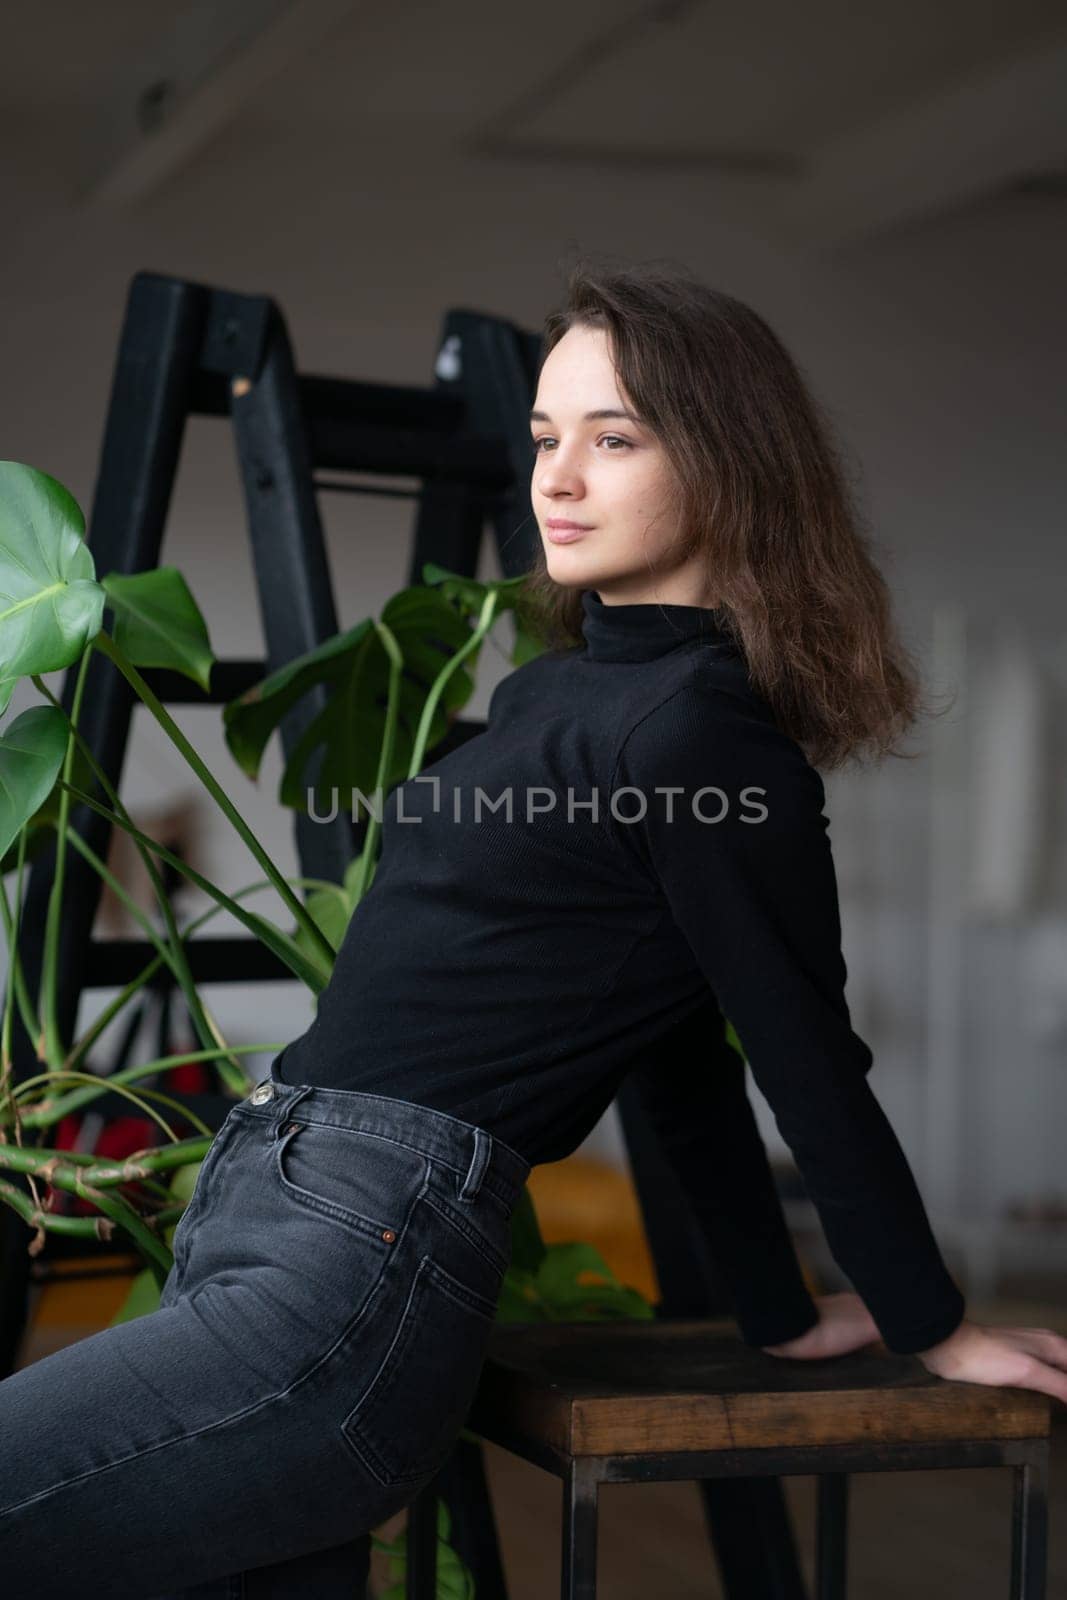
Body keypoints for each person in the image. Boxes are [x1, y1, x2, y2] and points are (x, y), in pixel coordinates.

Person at [2, 260, 1065, 1598]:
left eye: (612, 439)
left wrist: (932, 1322)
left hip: (351, 1268)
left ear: (733, 467)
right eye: (548, 438)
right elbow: (679, 1061)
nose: (556, 478)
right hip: (265, 1209)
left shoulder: (698, 734)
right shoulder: (556, 697)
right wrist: (777, 1310)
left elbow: (804, 1056)